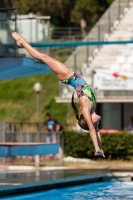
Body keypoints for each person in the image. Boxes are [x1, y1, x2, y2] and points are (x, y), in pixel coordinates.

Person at [12, 32, 105, 157]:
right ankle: (22, 42)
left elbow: (92, 130)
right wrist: (101, 148)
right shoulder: (93, 108)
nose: (97, 123)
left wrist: (96, 149)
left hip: (68, 76)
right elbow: (96, 131)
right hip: (72, 74)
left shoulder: (86, 107)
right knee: (44, 57)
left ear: (89, 121)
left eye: (95, 123)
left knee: (43, 57)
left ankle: (22, 42)